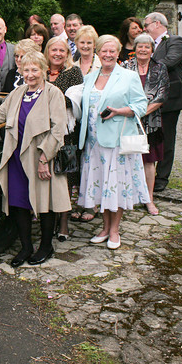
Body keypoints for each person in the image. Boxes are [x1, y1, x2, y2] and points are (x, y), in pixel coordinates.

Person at [0, 50, 70, 266]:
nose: (30, 74)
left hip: (40, 156)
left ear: (43, 70)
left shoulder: (53, 94)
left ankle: (45, 247)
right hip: (16, 155)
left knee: (45, 203)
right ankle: (25, 247)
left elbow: (58, 129)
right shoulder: (18, 93)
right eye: (26, 70)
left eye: (34, 70)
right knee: (18, 202)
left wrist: (44, 159)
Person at [77, 35, 151, 249]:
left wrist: (120, 111)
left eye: (112, 51)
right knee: (101, 186)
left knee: (115, 187)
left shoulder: (128, 76)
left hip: (117, 142)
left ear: (118, 53)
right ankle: (104, 227)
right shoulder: (90, 76)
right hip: (93, 143)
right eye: (104, 51)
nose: (108, 55)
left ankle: (115, 230)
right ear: (98, 53)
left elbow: (141, 105)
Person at [122, 33, 168, 215]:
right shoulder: (126, 67)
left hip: (151, 121)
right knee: (129, 158)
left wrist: (140, 112)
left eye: (146, 46)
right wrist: (131, 112)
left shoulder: (160, 67)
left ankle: (148, 199)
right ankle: (129, 197)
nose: (143, 49)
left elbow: (162, 95)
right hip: (128, 121)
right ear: (135, 48)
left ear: (152, 49)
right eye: (139, 46)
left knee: (149, 161)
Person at [43, 36, 83, 239]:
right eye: (53, 50)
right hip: (42, 132)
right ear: (47, 52)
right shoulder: (40, 72)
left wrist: (48, 98)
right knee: (46, 177)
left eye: (62, 50)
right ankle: (48, 221)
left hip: (66, 135)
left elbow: (73, 100)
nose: (57, 54)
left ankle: (64, 224)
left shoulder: (73, 72)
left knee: (64, 178)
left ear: (67, 54)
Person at [143, 12, 182, 193]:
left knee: (166, 138)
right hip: (150, 99)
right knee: (150, 137)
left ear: (156, 24)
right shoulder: (149, 44)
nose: (144, 28)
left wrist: (144, 67)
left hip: (170, 99)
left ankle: (162, 177)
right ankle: (148, 174)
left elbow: (171, 61)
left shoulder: (175, 41)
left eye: (146, 24)